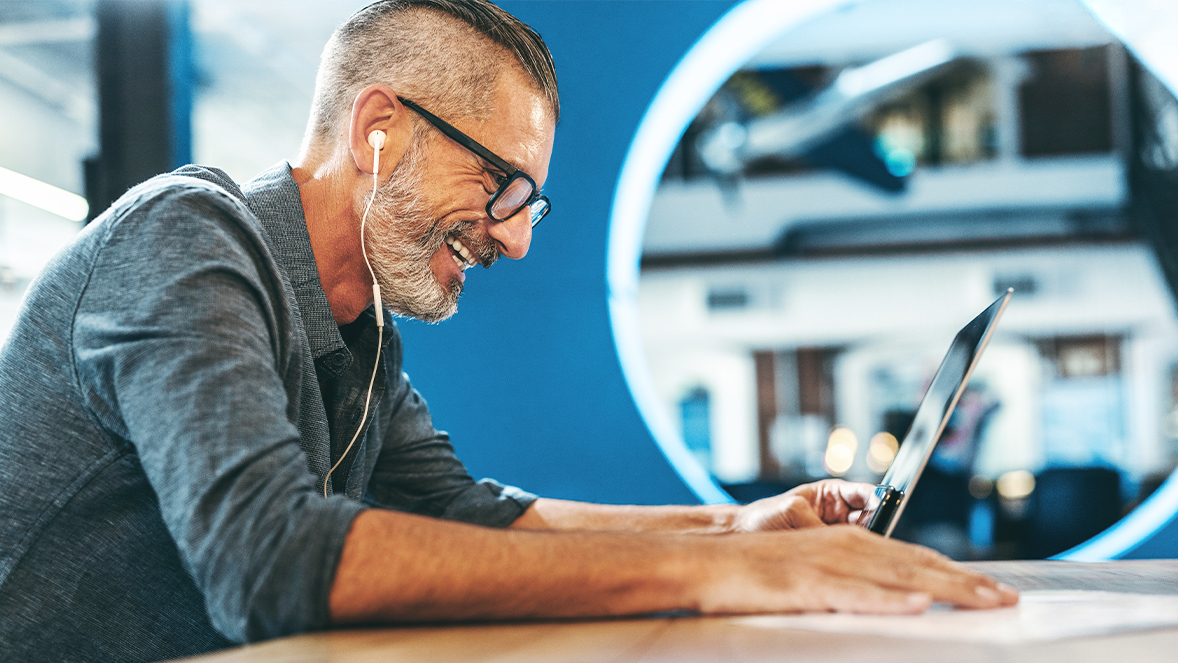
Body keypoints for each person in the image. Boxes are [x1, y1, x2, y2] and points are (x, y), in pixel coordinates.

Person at [0, 1, 1017, 661]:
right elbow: (266, 563)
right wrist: (727, 575)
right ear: (376, 130)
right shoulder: (186, 242)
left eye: (530, 202)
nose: (517, 240)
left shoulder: (360, 330)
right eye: (500, 185)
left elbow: (465, 514)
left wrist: (742, 528)